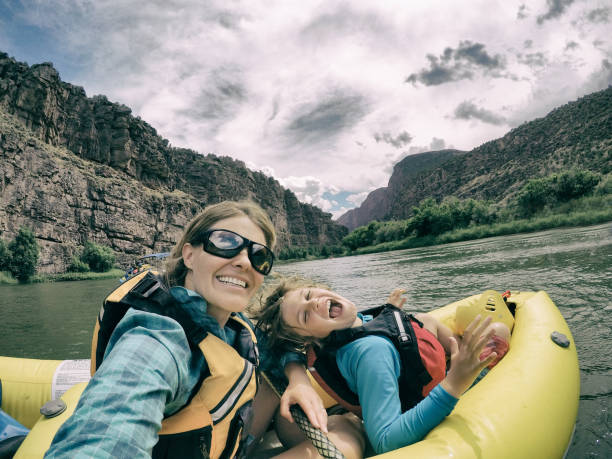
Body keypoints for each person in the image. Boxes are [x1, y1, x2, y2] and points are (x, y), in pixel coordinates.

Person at [45, 201, 327, 459]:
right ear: (189, 256)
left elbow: (276, 345)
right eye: (225, 242)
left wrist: (298, 379)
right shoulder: (157, 339)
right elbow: (101, 442)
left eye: (259, 255)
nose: (244, 261)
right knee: (346, 429)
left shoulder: (232, 322)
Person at [253, 277, 511, 456]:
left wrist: (391, 310)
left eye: (308, 295)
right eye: (306, 315)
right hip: (421, 400)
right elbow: (385, 440)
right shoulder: (370, 353)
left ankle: (456, 349)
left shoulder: (353, 324)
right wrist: (455, 381)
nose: (313, 302)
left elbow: (280, 344)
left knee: (423, 320)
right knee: (498, 330)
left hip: (408, 374)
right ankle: (464, 360)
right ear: (310, 338)